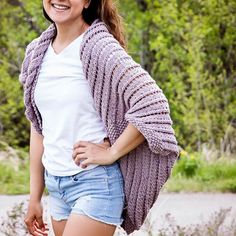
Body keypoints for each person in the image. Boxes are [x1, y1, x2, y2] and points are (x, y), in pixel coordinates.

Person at [19, 0, 179, 236]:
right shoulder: (37, 52)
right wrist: (35, 197)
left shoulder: (99, 47)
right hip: (57, 186)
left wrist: (112, 152)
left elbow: (152, 102)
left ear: (86, 2)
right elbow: (38, 125)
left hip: (94, 184)